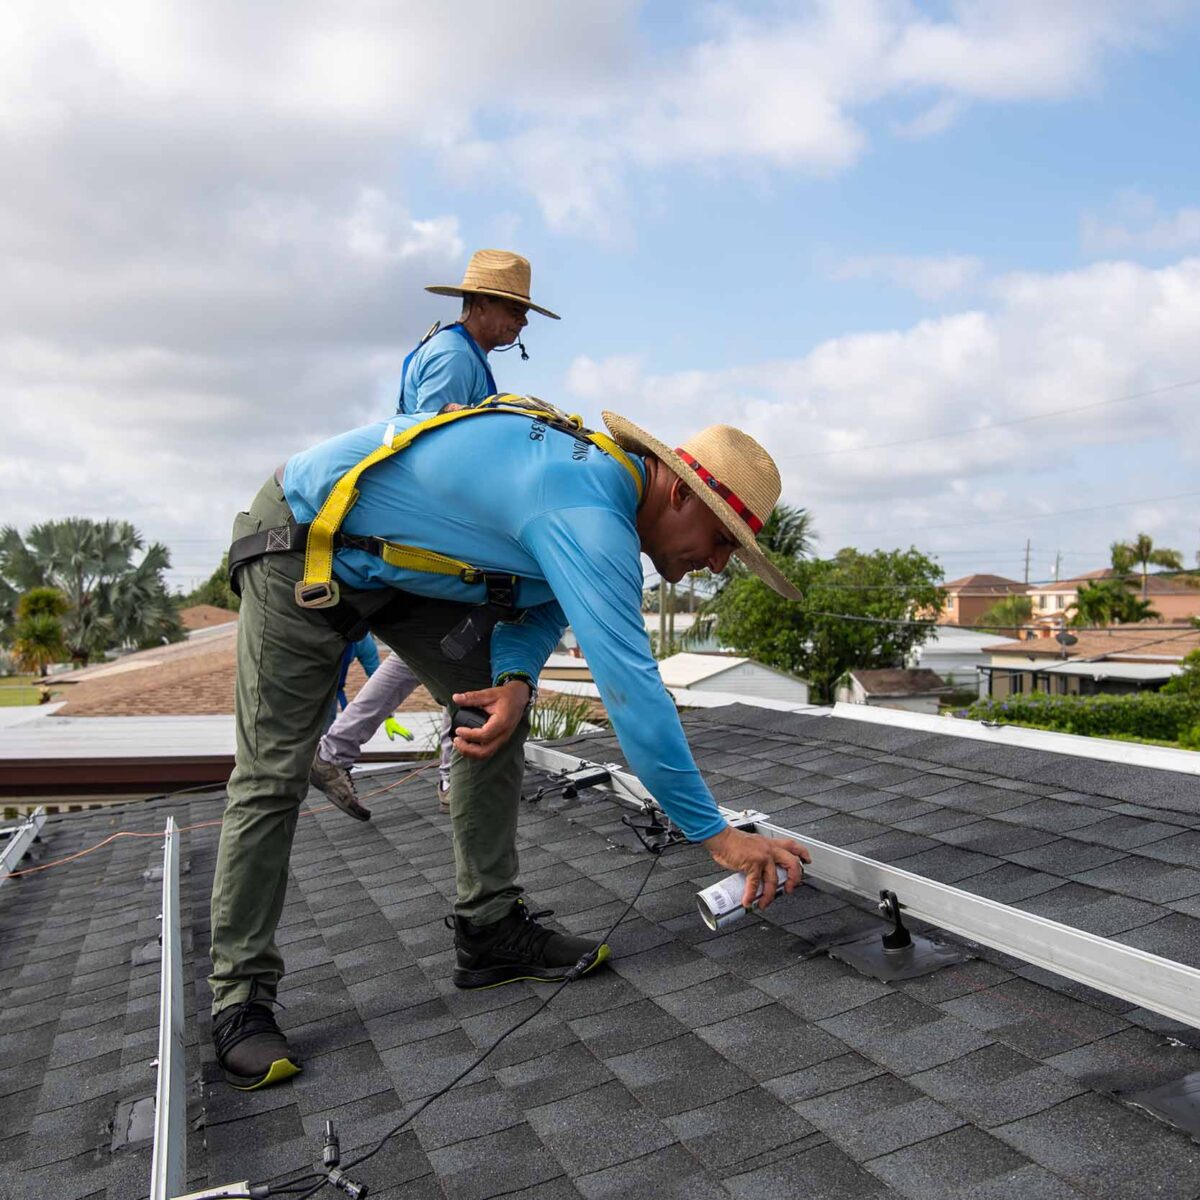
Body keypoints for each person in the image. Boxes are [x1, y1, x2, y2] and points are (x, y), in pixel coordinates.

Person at [209, 395, 811, 1090]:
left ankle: (488, 930)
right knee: (272, 774)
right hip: (301, 543)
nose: (717, 564)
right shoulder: (586, 510)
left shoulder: (603, 501)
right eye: (722, 539)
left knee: (487, 703)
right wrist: (716, 835)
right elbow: (633, 695)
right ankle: (240, 997)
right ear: (679, 492)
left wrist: (518, 675)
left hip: (397, 567)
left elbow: (536, 600)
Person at [309, 249, 559, 819]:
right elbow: (425, 456)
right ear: (482, 304)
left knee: (444, 649)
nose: (521, 323)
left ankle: (338, 750)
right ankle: (449, 774)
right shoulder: (452, 357)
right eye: (516, 310)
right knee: (471, 647)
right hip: (427, 531)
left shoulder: (458, 351)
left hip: (424, 527)